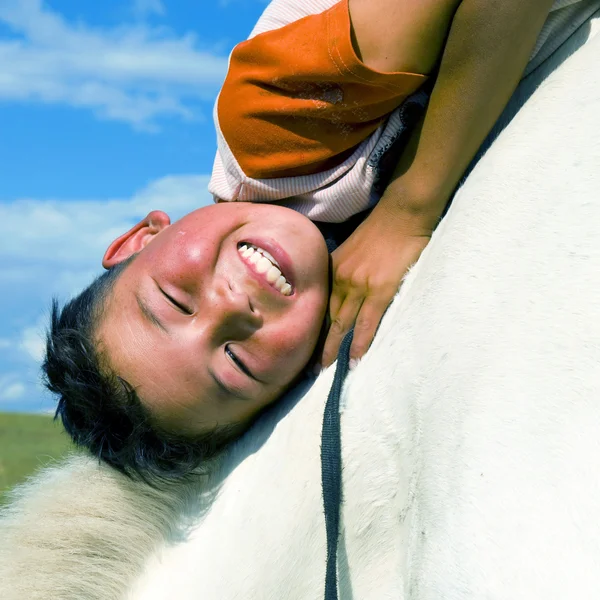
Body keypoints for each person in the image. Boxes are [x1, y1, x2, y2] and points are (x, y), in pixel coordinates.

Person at [44, 0, 555, 480]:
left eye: (176, 301)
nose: (231, 308)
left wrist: (408, 208)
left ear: (139, 239)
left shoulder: (268, 125)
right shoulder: (364, 318)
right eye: (237, 361)